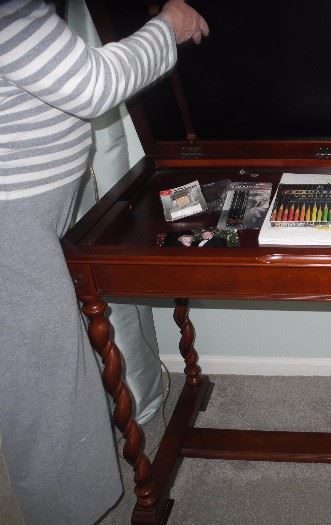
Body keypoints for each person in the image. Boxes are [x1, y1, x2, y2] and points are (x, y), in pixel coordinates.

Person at [0, 1, 208, 523]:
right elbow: (93, 85)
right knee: (44, 379)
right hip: (11, 218)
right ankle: (66, 513)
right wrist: (168, 26)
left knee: (47, 362)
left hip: (31, 209)